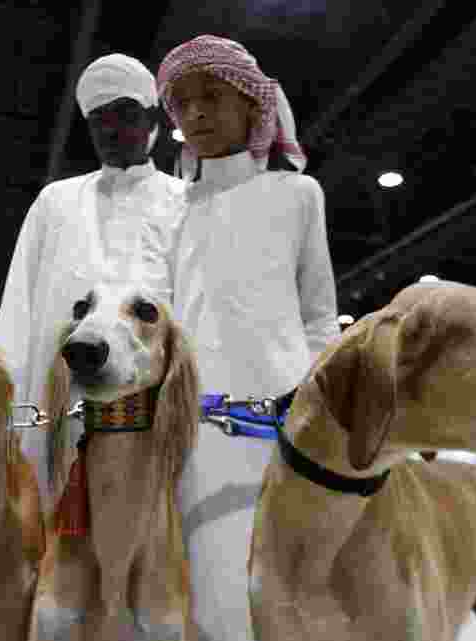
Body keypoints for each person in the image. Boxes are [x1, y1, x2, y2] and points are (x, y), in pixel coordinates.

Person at [157, 34, 340, 641]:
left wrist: (309, 403)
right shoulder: (172, 210)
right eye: (181, 105)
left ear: (253, 106)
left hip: (284, 432)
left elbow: (319, 317)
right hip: (192, 435)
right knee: (204, 590)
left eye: (212, 96)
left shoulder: (297, 195)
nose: (196, 114)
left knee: (286, 586)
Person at [0, 53, 184, 506]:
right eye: (99, 120)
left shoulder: (185, 202)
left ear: (152, 118)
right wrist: (4, 405)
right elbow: (18, 308)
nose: (112, 129)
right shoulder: (55, 202)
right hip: (54, 398)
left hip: (146, 405)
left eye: (126, 115)